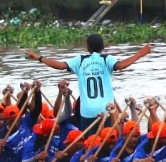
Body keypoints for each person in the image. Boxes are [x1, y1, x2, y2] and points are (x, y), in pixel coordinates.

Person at [26, 34, 154, 128]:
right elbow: (120, 66)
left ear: (87, 48)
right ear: (103, 47)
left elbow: (60, 65)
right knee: (109, 141)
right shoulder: (106, 59)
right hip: (107, 111)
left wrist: (39, 57)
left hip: (87, 112)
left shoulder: (80, 60)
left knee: (89, 147)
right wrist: (140, 53)